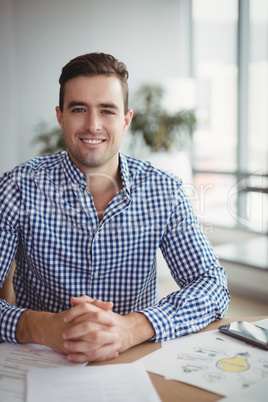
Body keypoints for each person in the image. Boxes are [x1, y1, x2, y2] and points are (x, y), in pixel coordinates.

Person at [0, 52, 230, 363]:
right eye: (79, 109)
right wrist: (42, 327)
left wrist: (132, 328)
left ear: (125, 120)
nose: (93, 125)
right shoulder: (18, 187)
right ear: (60, 117)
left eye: (107, 110)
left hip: (134, 360)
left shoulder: (164, 190)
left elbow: (212, 284)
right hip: (42, 362)